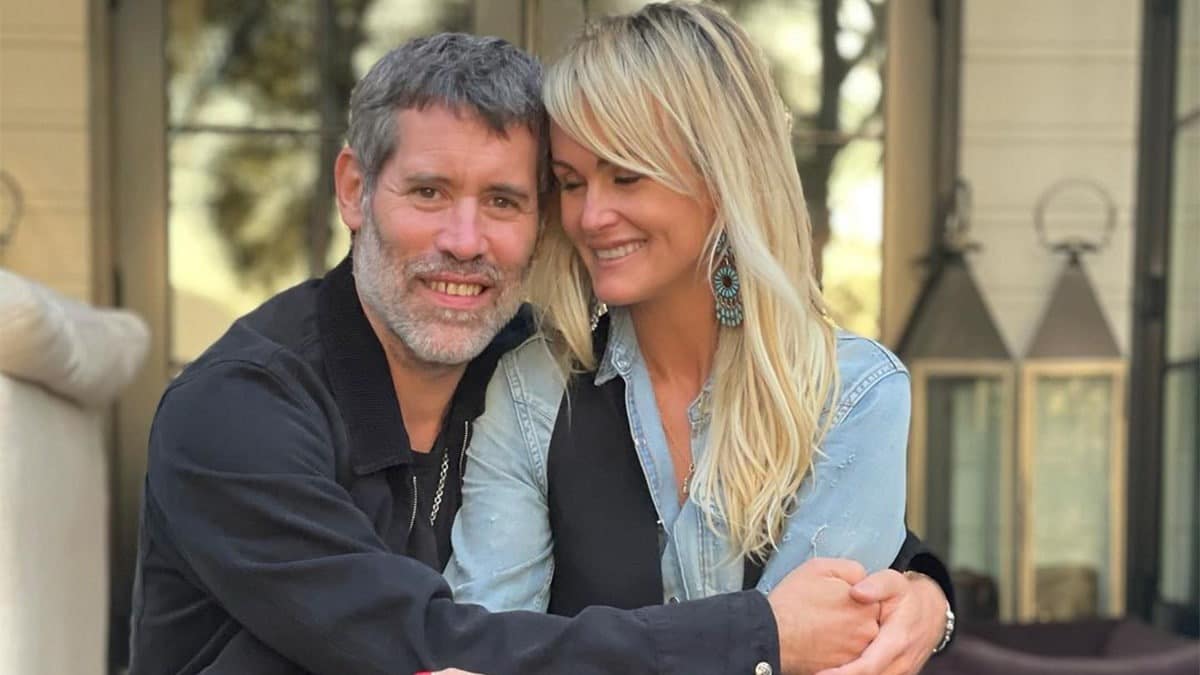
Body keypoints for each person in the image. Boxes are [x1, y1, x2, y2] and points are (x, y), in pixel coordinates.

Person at [129, 30, 951, 675]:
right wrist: (760, 634)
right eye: (428, 192)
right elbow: (435, 644)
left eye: (504, 199)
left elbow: (827, 526)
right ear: (353, 189)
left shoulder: (520, 358)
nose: (465, 241)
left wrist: (925, 594)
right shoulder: (238, 412)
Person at [446, 4, 952, 675]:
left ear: (722, 176)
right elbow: (481, 654)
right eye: (571, 183)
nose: (591, 216)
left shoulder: (852, 394)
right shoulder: (531, 390)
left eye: (626, 175)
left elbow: (825, 656)